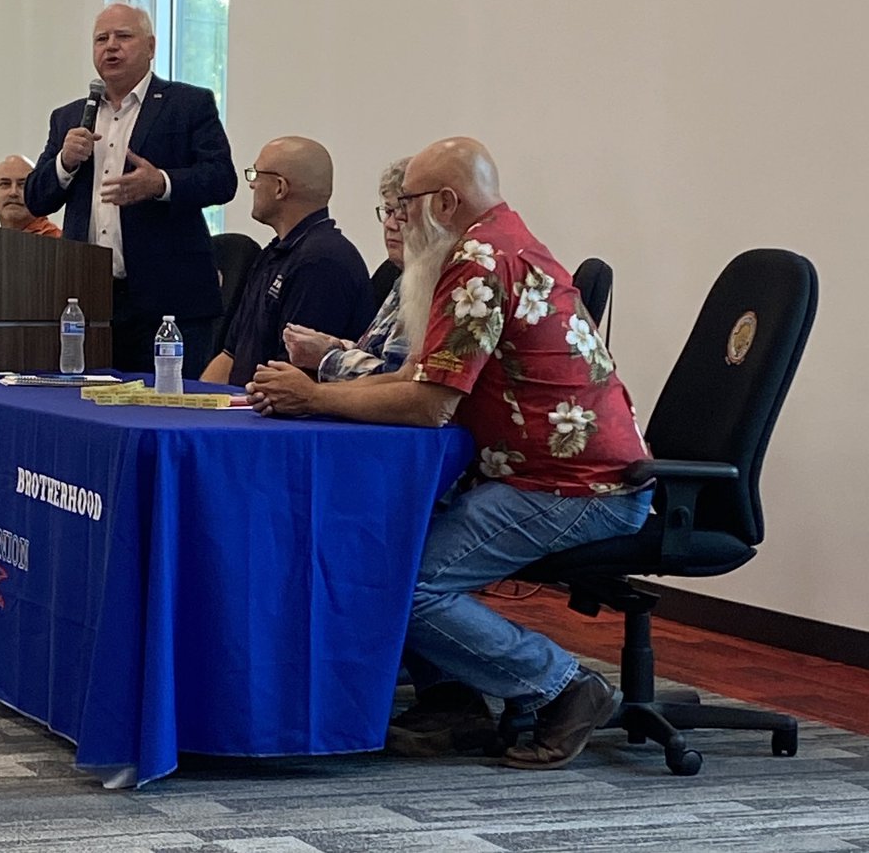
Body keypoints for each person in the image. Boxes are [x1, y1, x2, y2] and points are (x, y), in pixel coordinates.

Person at [248, 137, 653, 772]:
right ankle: (453, 702)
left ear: (443, 200)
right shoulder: (497, 240)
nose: (399, 217)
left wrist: (314, 399)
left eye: (405, 204)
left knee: (404, 583)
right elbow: (418, 376)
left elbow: (429, 405)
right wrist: (319, 389)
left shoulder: (480, 260)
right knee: (389, 549)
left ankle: (567, 688)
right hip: (545, 477)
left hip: (577, 487)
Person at [25, 0, 237, 376]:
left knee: (168, 412)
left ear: (151, 47)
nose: (111, 46)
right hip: (92, 299)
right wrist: (65, 162)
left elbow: (222, 179)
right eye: (101, 39)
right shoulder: (69, 117)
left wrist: (162, 183)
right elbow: (35, 197)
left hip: (169, 300)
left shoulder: (188, 104)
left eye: (123, 36)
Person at [200, 136, 376, 388]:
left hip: (280, 415)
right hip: (246, 407)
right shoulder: (273, 253)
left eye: (256, 175)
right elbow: (231, 354)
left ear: (280, 187)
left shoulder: (322, 263)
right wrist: (198, 407)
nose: (251, 185)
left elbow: (296, 376)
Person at [282, 156, 410, 381]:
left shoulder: (439, 283)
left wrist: (325, 356)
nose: (390, 224)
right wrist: (333, 345)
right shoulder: (399, 276)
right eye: (388, 212)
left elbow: (398, 382)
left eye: (402, 214)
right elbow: (375, 354)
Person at [0, 155, 60, 236]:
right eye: (5, 184)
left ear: (38, 192)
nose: (13, 192)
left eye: (23, 185)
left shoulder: (57, 242)